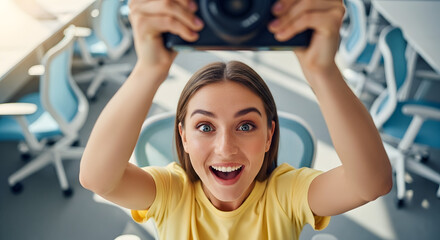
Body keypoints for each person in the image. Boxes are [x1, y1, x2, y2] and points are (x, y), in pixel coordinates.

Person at [79, 0, 393, 239]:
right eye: (204, 127)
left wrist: (323, 72)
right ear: (183, 136)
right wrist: (148, 70)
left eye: (245, 126)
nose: (225, 148)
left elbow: (370, 183)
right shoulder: (171, 192)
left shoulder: (284, 195)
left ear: (270, 136)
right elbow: (98, 179)